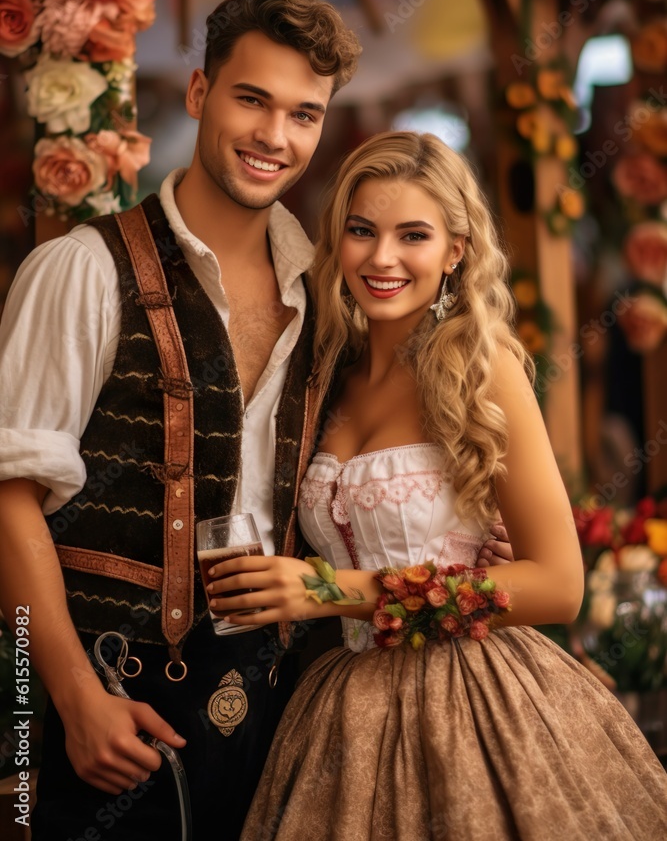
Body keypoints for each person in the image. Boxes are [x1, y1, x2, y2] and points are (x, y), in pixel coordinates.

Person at [0, 0, 510, 840]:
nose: (276, 137)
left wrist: (461, 542)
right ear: (200, 95)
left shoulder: (330, 298)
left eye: (304, 115)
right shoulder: (81, 270)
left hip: (282, 714)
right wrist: (63, 697)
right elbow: (9, 503)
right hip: (111, 705)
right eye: (252, 100)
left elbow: (354, 480)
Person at [205, 131, 667, 840]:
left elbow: (557, 585)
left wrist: (330, 591)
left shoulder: (483, 371)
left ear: (454, 250)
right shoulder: (322, 376)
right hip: (339, 709)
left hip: (480, 698)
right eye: (360, 231)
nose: (381, 258)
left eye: (411, 235)